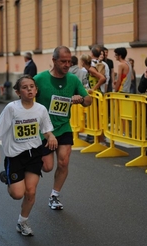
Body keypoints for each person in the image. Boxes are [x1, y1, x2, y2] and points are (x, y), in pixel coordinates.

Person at [0, 75, 57, 236]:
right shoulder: (12, 109)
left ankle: (22, 222)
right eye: (25, 87)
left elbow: (46, 130)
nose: (29, 90)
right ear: (18, 92)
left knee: (31, 192)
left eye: (32, 86)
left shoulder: (40, 109)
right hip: (15, 156)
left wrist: (51, 137)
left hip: (34, 154)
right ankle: (8, 178)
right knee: (17, 194)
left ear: (36, 89)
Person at [34, 46, 92, 210]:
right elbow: (27, 96)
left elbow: (89, 100)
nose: (67, 65)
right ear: (54, 61)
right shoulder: (39, 79)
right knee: (47, 167)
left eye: (69, 61)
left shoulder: (73, 80)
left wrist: (80, 99)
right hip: (44, 130)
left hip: (64, 127)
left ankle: (54, 196)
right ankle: (30, 164)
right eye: (63, 61)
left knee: (64, 161)